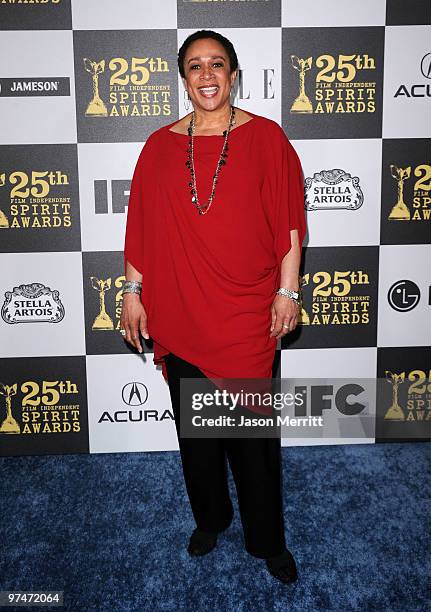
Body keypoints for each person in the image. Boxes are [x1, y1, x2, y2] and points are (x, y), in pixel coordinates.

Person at [120, 29, 307, 585]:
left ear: (233, 74)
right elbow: (142, 231)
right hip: (179, 311)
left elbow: (289, 226)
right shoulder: (157, 147)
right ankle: (212, 519)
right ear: (183, 77)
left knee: (253, 443)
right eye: (196, 66)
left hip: (248, 313)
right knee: (197, 439)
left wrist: (287, 291)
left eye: (217, 64)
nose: (207, 75)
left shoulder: (268, 139)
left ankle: (267, 540)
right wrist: (132, 293)